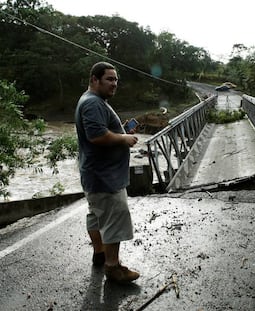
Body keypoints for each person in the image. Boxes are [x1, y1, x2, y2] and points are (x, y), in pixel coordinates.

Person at [75, 61, 140, 284]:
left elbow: (101, 130)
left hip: (95, 174)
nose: (114, 84)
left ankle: (99, 253)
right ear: (94, 79)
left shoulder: (93, 101)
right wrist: (124, 138)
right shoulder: (93, 103)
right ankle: (113, 268)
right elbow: (96, 136)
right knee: (115, 217)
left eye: (116, 80)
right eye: (109, 79)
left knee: (96, 215)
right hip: (105, 177)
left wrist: (122, 130)